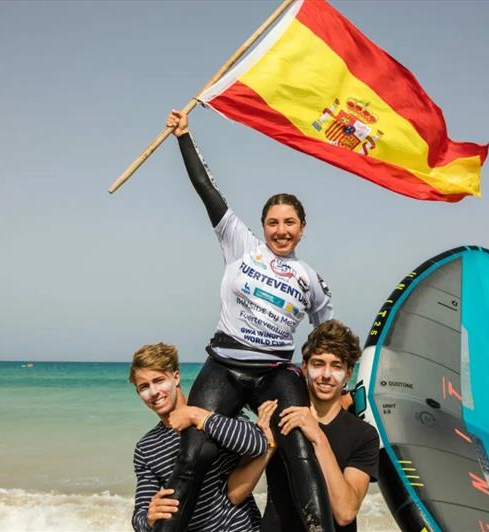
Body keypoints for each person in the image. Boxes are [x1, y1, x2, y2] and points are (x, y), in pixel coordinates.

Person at [157, 110, 336, 532]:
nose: (280, 229)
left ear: (302, 228)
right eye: (273, 222)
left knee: (299, 445)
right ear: (262, 226)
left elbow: (327, 341)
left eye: (289, 222)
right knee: (193, 455)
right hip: (224, 366)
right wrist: (184, 136)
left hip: (275, 373)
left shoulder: (311, 279)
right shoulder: (241, 245)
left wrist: (337, 394)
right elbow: (207, 190)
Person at [228, 320, 380, 532]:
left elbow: (345, 512)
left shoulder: (364, 435)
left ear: (348, 373)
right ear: (305, 367)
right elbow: (235, 494)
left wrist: (318, 436)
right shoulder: (280, 417)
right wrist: (269, 444)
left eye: (336, 366)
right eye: (318, 364)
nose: (326, 375)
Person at [130, 342, 269, 532]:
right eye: (144, 387)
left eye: (159, 380)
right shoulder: (147, 448)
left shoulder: (215, 412)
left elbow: (256, 444)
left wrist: (197, 416)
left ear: (176, 377)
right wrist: (149, 517)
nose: (154, 392)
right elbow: (139, 518)